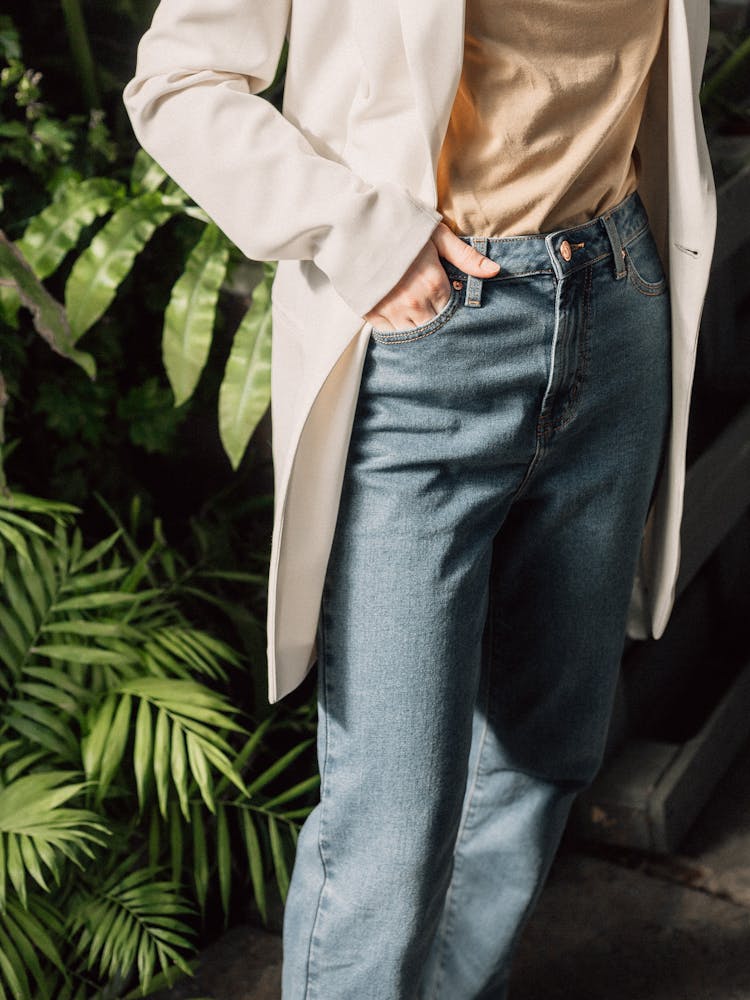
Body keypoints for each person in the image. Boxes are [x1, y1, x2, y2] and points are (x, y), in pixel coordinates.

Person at [124, 1, 717, 996]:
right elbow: (177, 83)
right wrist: (364, 235)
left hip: (616, 305)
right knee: (389, 835)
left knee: (537, 763)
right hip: (423, 350)